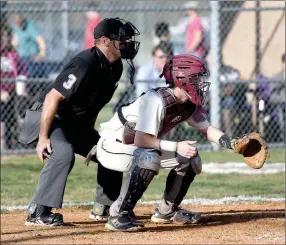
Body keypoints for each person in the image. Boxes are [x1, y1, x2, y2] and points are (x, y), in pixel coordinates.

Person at [86, 54, 243, 232]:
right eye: (197, 78)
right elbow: (141, 139)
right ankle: (118, 215)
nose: (201, 83)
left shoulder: (188, 104)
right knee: (148, 157)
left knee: (190, 158)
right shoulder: (156, 100)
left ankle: (166, 212)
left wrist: (234, 144)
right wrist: (176, 146)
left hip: (135, 147)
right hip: (112, 144)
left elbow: (207, 129)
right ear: (182, 79)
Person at [18, 17, 140, 226]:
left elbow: (92, 103)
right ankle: (37, 211)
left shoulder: (115, 66)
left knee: (111, 150)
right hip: (52, 119)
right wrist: (43, 137)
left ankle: (106, 207)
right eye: (121, 38)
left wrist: (90, 135)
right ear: (104, 41)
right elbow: (52, 97)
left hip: (76, 125)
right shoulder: (85, 63)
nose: (126, 42)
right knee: (63, 154)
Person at [1, 22, 28, 150]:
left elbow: (22, 72)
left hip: (12, 93)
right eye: (3, 36)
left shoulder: (13, 54)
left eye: (8, 37)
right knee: (3, 121)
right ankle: (3, 148)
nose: (6, 40)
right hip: (2, 93)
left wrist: (23, 88)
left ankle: (12, 146)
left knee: (12, 120)